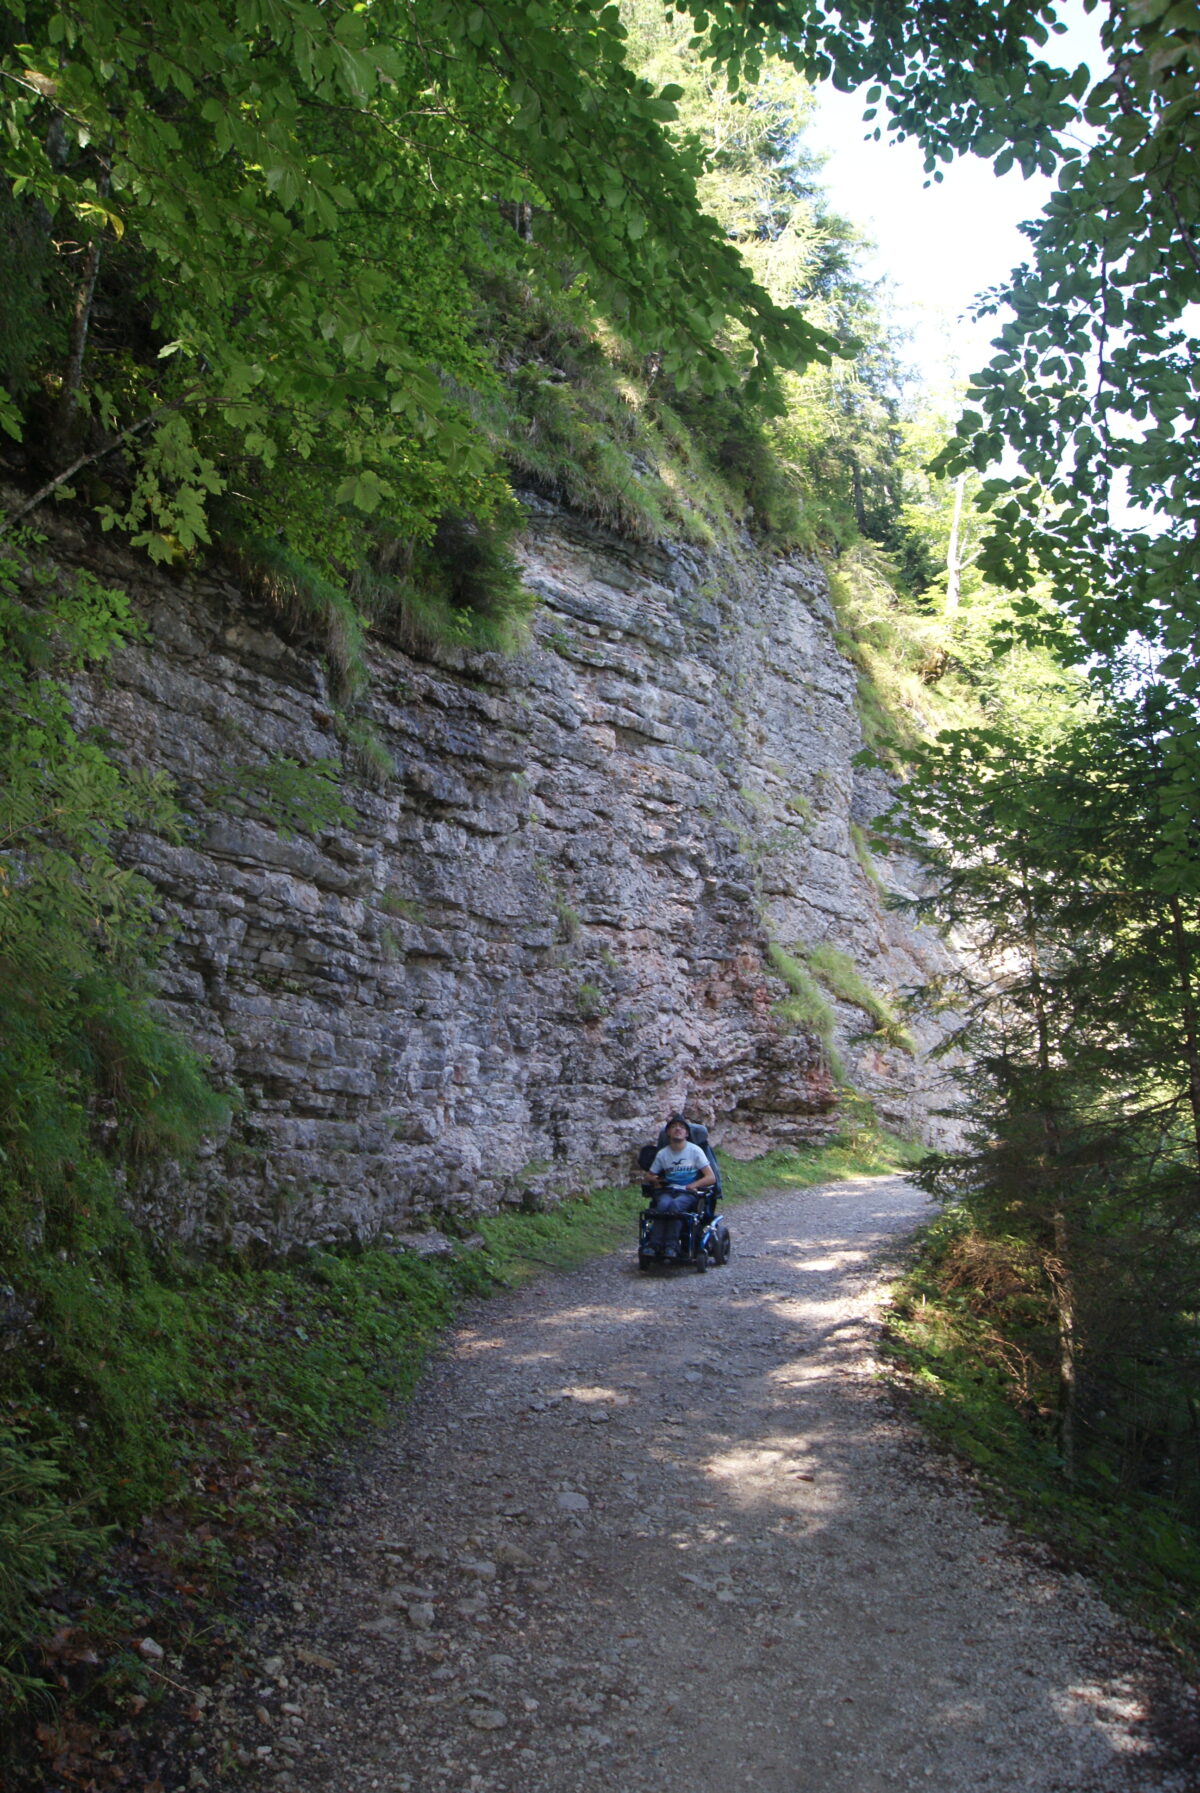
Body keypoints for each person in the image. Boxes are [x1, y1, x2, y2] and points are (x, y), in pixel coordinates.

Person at [644, 1115, 715, 1260]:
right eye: (674, 1127)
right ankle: (654, 1244)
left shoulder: (695, 1151)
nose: (678, 1129)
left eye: (682, 1127)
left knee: (675, 1206)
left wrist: (694, 1185)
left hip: (688, 1192)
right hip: (668, 1190)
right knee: (662, 1205)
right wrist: (655, 1180)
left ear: (687, 1134)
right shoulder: (663, 1154)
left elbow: (711, 1177)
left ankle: (672, 1245)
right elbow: (649, 1175)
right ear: (668, 1133)